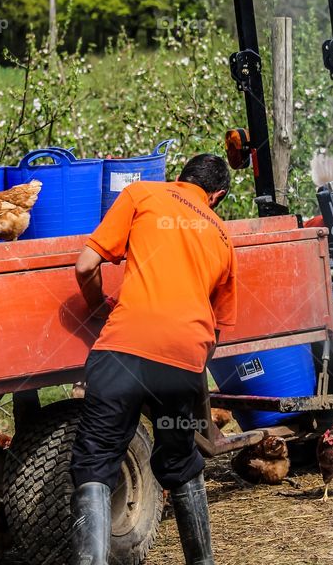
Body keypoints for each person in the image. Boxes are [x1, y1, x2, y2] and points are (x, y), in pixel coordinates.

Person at [70, 154, 238, 565]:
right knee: (180, 460)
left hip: (125, 347)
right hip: (184, 360)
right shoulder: (223, 237)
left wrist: (100, 310)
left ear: (181, 176)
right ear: (215, 197)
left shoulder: (142, 193)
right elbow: (216, 330)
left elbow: (86, 264)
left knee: (95, 459)